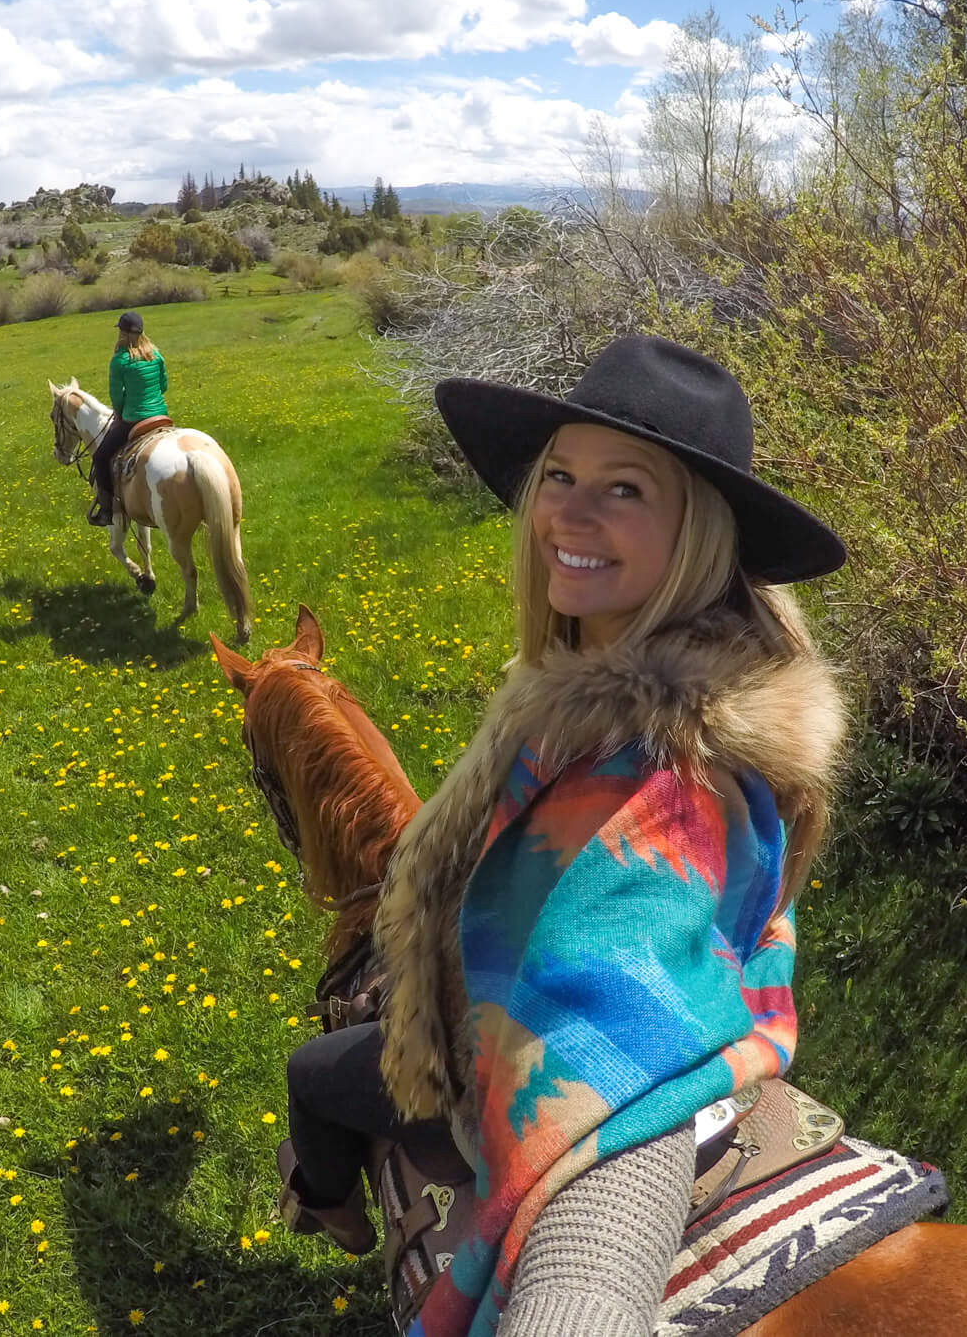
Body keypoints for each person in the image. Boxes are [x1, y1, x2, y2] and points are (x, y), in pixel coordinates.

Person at [276, 335, 849, 1337]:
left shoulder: (661, 784)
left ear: (698, 533)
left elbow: (603, 1031)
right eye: (559, 476)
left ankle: (324, 1205)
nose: (570, 516)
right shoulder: (628, 682)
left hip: (618, 1093)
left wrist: (576, 1297)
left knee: (313, 1073)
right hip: (730, 1012)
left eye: (623, 491)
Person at [89, 311, 168, 526]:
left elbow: (116, 398)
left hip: (134, 419)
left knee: (100, 457)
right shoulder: (156, 355)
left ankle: (107, 511)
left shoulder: (119, 361)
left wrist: (122, 413)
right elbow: (164, 386)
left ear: (122, 333)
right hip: (161, 416)